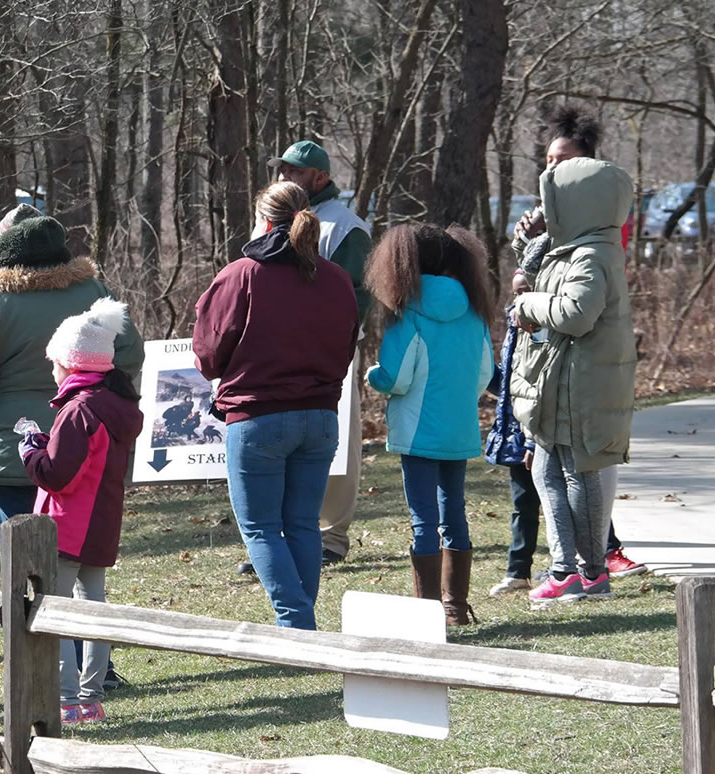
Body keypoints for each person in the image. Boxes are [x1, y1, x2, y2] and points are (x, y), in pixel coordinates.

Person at [490, 107, 646, 596]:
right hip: (557, 379)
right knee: (544, 468)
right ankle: (568, 569)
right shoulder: (568, 244)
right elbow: (538, 286)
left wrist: (527, 303)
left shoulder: (595, 250)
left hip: (581, 381)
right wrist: (530, 254)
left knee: (577, 474)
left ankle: (588, 570)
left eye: (562, 166)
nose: (551, 175)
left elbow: (576, 313)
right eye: (548, 163)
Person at [192, 181, 358, 630]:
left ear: (264, 220)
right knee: (303, 524)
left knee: (262, 527)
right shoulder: (336, 278)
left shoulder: (242, 274)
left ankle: (296, 625)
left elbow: (208, 357)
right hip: (321, 416)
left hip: (259, 417)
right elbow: (346, 350)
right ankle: (302, 625)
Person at [0, 213, 144, 541]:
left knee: (19, 559)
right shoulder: (94, 291)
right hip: (86, 442)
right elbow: (131, 355)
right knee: (75, 553)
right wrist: (95, 395)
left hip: (13, 447)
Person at [19, 299, 144, 725]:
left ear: (70, 364)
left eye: (54, 361)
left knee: (58, 612)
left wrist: (30, 451)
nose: (50, 369)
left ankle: (67, 700)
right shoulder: (114, 403)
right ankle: (90, 697)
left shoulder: (79, 409)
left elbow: (56, 476)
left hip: (68, 527)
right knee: (94, 608)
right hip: (102, 523)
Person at [363, 225, 495, 625]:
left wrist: (374, 377)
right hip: (459, 429)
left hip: (418, 433)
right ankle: (456, 607)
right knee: (454, 511)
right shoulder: (474, 313)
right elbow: (484, 373)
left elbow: (397, 377)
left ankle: (428, 612)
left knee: (424, 520)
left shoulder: (409, 315)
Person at [266, 140, 373, 568]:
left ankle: (330, 538)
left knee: (338, 449)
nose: (283, 178)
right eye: (281, 171)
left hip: (331, 354)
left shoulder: (345, 227)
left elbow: (356, 297)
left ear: (320, 178)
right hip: (277, 354)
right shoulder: (273, 219)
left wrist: (334, 349)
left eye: (293, 172)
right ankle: (280, 537)